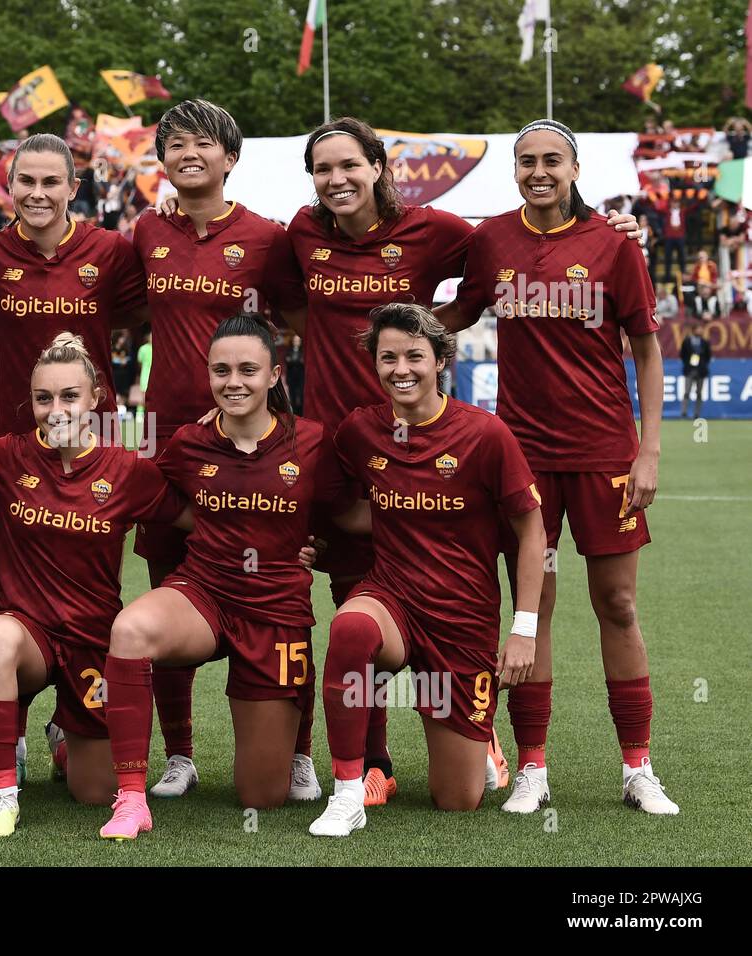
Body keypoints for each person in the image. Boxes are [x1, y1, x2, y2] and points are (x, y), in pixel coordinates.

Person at [288, 115, 641, 807]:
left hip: (428, 443)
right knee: (347, 598)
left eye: (349, 166)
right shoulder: (299, 234)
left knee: (447, 589)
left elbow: (511, 251)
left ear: (379, 167)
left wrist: (605, 227)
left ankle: (476, 724)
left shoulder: (441, 231)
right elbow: (262, 288)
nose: (337, 180)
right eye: (323, 169)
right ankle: (368, 763)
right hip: (340, 444)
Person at [439, 118, 677, 816]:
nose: (538, 171)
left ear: (574, 169)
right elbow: (459, 312)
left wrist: (650, 447)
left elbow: (647, 348)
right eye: (526, 161)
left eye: (551, 160)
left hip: (605, 452)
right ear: (514, 171)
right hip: (524, 458)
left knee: (619, 604)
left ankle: (638, 769)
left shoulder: (612, 244)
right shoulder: (493, 241)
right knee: (532, 606)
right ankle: (534, 768)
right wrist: (391, 327)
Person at [98, 313, 362, 841]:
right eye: (221, 370)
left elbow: (344, 514)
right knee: (130, 630)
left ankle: (297, 752)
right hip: (204, 592)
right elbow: (163, 505)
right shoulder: (189, 443)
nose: (233, 381)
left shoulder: (310, 442)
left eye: (247, 369)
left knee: (260, 796)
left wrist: (320, 546)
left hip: (275, 608)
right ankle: (130, 799)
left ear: (273, 375)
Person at [133, 100, 315, 799]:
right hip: (167, 446)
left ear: (230, 158)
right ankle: (179, 754)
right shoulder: (147, 230)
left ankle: (298, 753)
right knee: (165, 585)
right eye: (175, 144)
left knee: (283, 596)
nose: (188, 154)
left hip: (254, 449)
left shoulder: (268, 238)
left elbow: (306, 317)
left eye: (203, 144)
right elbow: (115, 304)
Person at [309, 303, 544, 837]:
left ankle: (482, 740)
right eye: (388, 357)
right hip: (392, 600)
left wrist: (523, 630)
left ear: (440, 360)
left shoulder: (485, 434)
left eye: (414, 356)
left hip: (461, 622)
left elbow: (532, 531)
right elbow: (340, 505)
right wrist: (316, 546)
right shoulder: (360, 431)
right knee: (349, 627)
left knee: (458, 800)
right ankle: (349, 793)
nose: (401, 369)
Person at [0, 333, 189, 837]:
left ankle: (60, 733)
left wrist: (295, 543)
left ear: (96, 398)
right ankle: (3, 795)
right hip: (27, 635)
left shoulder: (127, 469)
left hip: (94, 640)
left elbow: (195, 520)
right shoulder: (4, 457)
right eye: (44, 398)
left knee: (92, 794)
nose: (56, 409)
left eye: (70, 396)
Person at [0, 133, 147, 439]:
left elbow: (143, 313)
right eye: (27, 181)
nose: (37, 193)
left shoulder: (110, 249)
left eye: (50, 182)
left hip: (94, 433)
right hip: (17, 435)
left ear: (73, 189)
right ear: (10, 184)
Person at [679, 320, 711, 418]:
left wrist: (702, 365)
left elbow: (708, 356)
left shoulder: (704, 342)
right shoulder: (687, 341)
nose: (700, 331)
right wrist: (688, 364)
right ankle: (684, 412)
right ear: (693, 330)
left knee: (699, 393)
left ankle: (697, 413)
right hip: (689, 370)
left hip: (701, 371)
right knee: (687, 392)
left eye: (701, 329)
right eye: (698, 329)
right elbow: (682, 354)